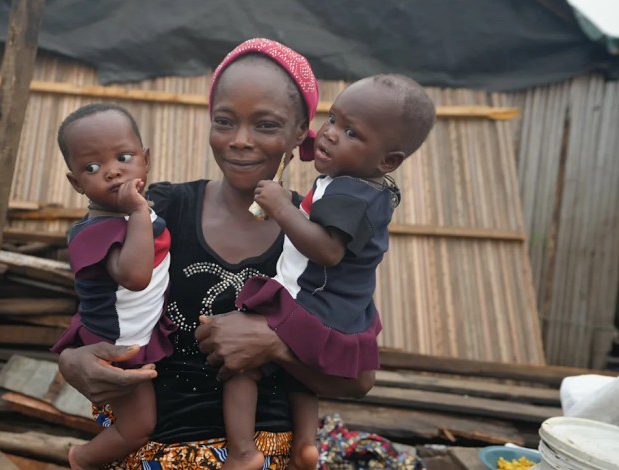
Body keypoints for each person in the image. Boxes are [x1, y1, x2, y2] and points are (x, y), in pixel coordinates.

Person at [57, 38, 376, 469]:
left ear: (301, 132)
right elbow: (95, 313)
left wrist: (275, 346)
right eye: (225, 122)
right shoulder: (157, 212)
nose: (240, 141)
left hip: (264, 457)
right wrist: (73, 362)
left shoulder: (320, 238)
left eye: (265, 125)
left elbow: (360, 378)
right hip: (149, 452)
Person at [236, 73, 437, 468]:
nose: (329, 133)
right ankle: (306, 444)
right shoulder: (365, 183)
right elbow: (328, 147)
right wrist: (309, 141)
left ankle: (242, 451)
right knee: (299, 377)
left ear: (388, 160)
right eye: (331, 118)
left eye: (350, 132)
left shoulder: (348, 193)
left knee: (242, 361)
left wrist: (281, 207)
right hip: (342, 307)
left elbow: (327, 251)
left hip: (312, 302)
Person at [50, 103, 176, 469]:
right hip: (115, 344)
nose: (112, 171)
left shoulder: (141, 211)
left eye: (124, 157)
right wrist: (137, 212)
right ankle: (82, 459)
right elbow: (135, 277)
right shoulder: (94, 232)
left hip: (137, 332)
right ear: (76, 183)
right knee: (138, 427)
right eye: (92, 167)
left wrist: (138, 212)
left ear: (145, 160)